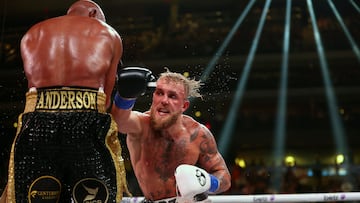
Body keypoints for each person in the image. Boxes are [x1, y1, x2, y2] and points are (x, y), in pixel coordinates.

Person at [1, 0, 130, 202]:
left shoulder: (32, 33)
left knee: (35, 195)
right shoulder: (108, 33)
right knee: (95, 195)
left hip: (37, 123)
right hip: (86, 121)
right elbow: (104, 102)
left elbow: (32, 89)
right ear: (93, 14)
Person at [111, 67, 231, 203]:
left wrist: (208, 181)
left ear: (184, 106)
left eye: (172, 96)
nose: (164, 100)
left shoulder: (198, 134)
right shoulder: (141, 126)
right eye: (159, 93)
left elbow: (224, 178)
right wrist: (125, 96)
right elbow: (119, 122)